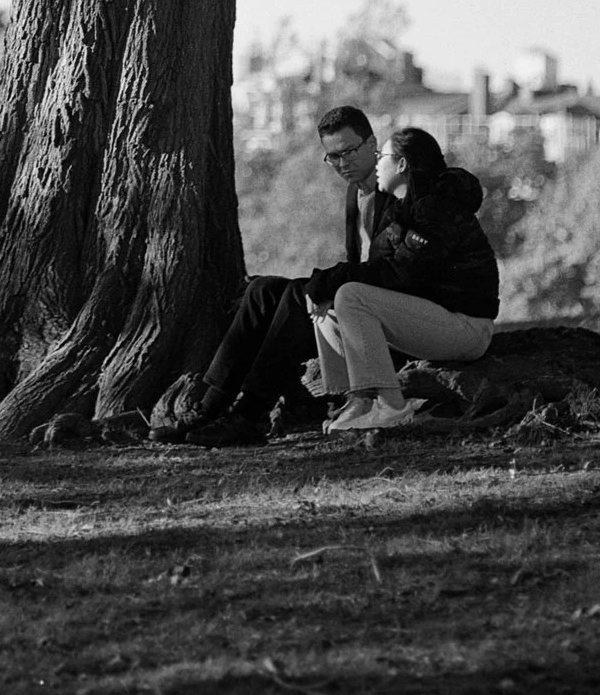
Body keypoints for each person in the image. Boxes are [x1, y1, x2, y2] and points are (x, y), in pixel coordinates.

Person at [154, 105, 385, 446]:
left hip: (381, 310)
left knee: (296, 296)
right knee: (263, 291)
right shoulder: (357, 192)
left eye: (349, 151)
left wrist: (328, 285)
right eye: (332, 157)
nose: (342, 163)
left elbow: (383, 268)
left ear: (372, 143)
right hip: (356, 298)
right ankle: (209, 405)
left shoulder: (392, 188)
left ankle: (250, 413)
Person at [306, 125, 499, 434]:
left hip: (466, 327)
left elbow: (402, 274)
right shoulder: (402, 211)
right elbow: (382, 270)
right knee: (329, 306)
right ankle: (358, 400)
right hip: (433, 318)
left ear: (402, 164)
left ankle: (393, 406)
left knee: (349, 295)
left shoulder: (438, 209)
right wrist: (327, 285)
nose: (377, 164)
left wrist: (335, 278)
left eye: (382, 155)